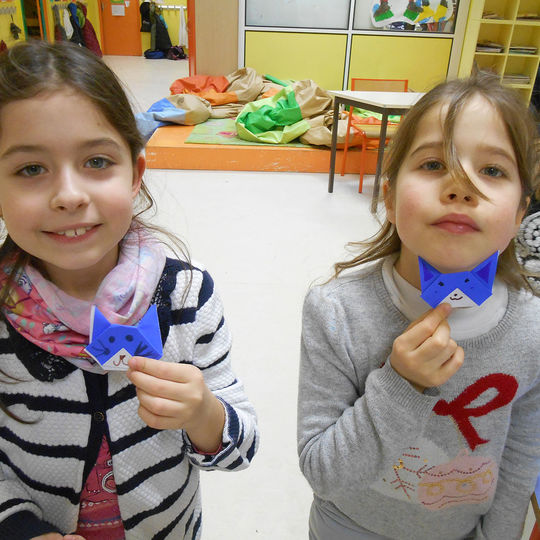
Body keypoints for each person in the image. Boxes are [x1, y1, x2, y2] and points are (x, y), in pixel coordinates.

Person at [0, 40, 258, 540]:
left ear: (136, 174)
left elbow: (241, 449)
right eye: (31, 169)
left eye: (97, 162)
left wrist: (204, 413)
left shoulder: (186, 295)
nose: (69, 195)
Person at [298, 71, 540, 540]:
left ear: (518, 215)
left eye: (492, 170)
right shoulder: (336, 310)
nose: (461, 187)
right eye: (433, 165)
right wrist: (401, 382)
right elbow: (322, 471)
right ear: (387, 197)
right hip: (347, 526)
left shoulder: (532, 326)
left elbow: (522, 454)